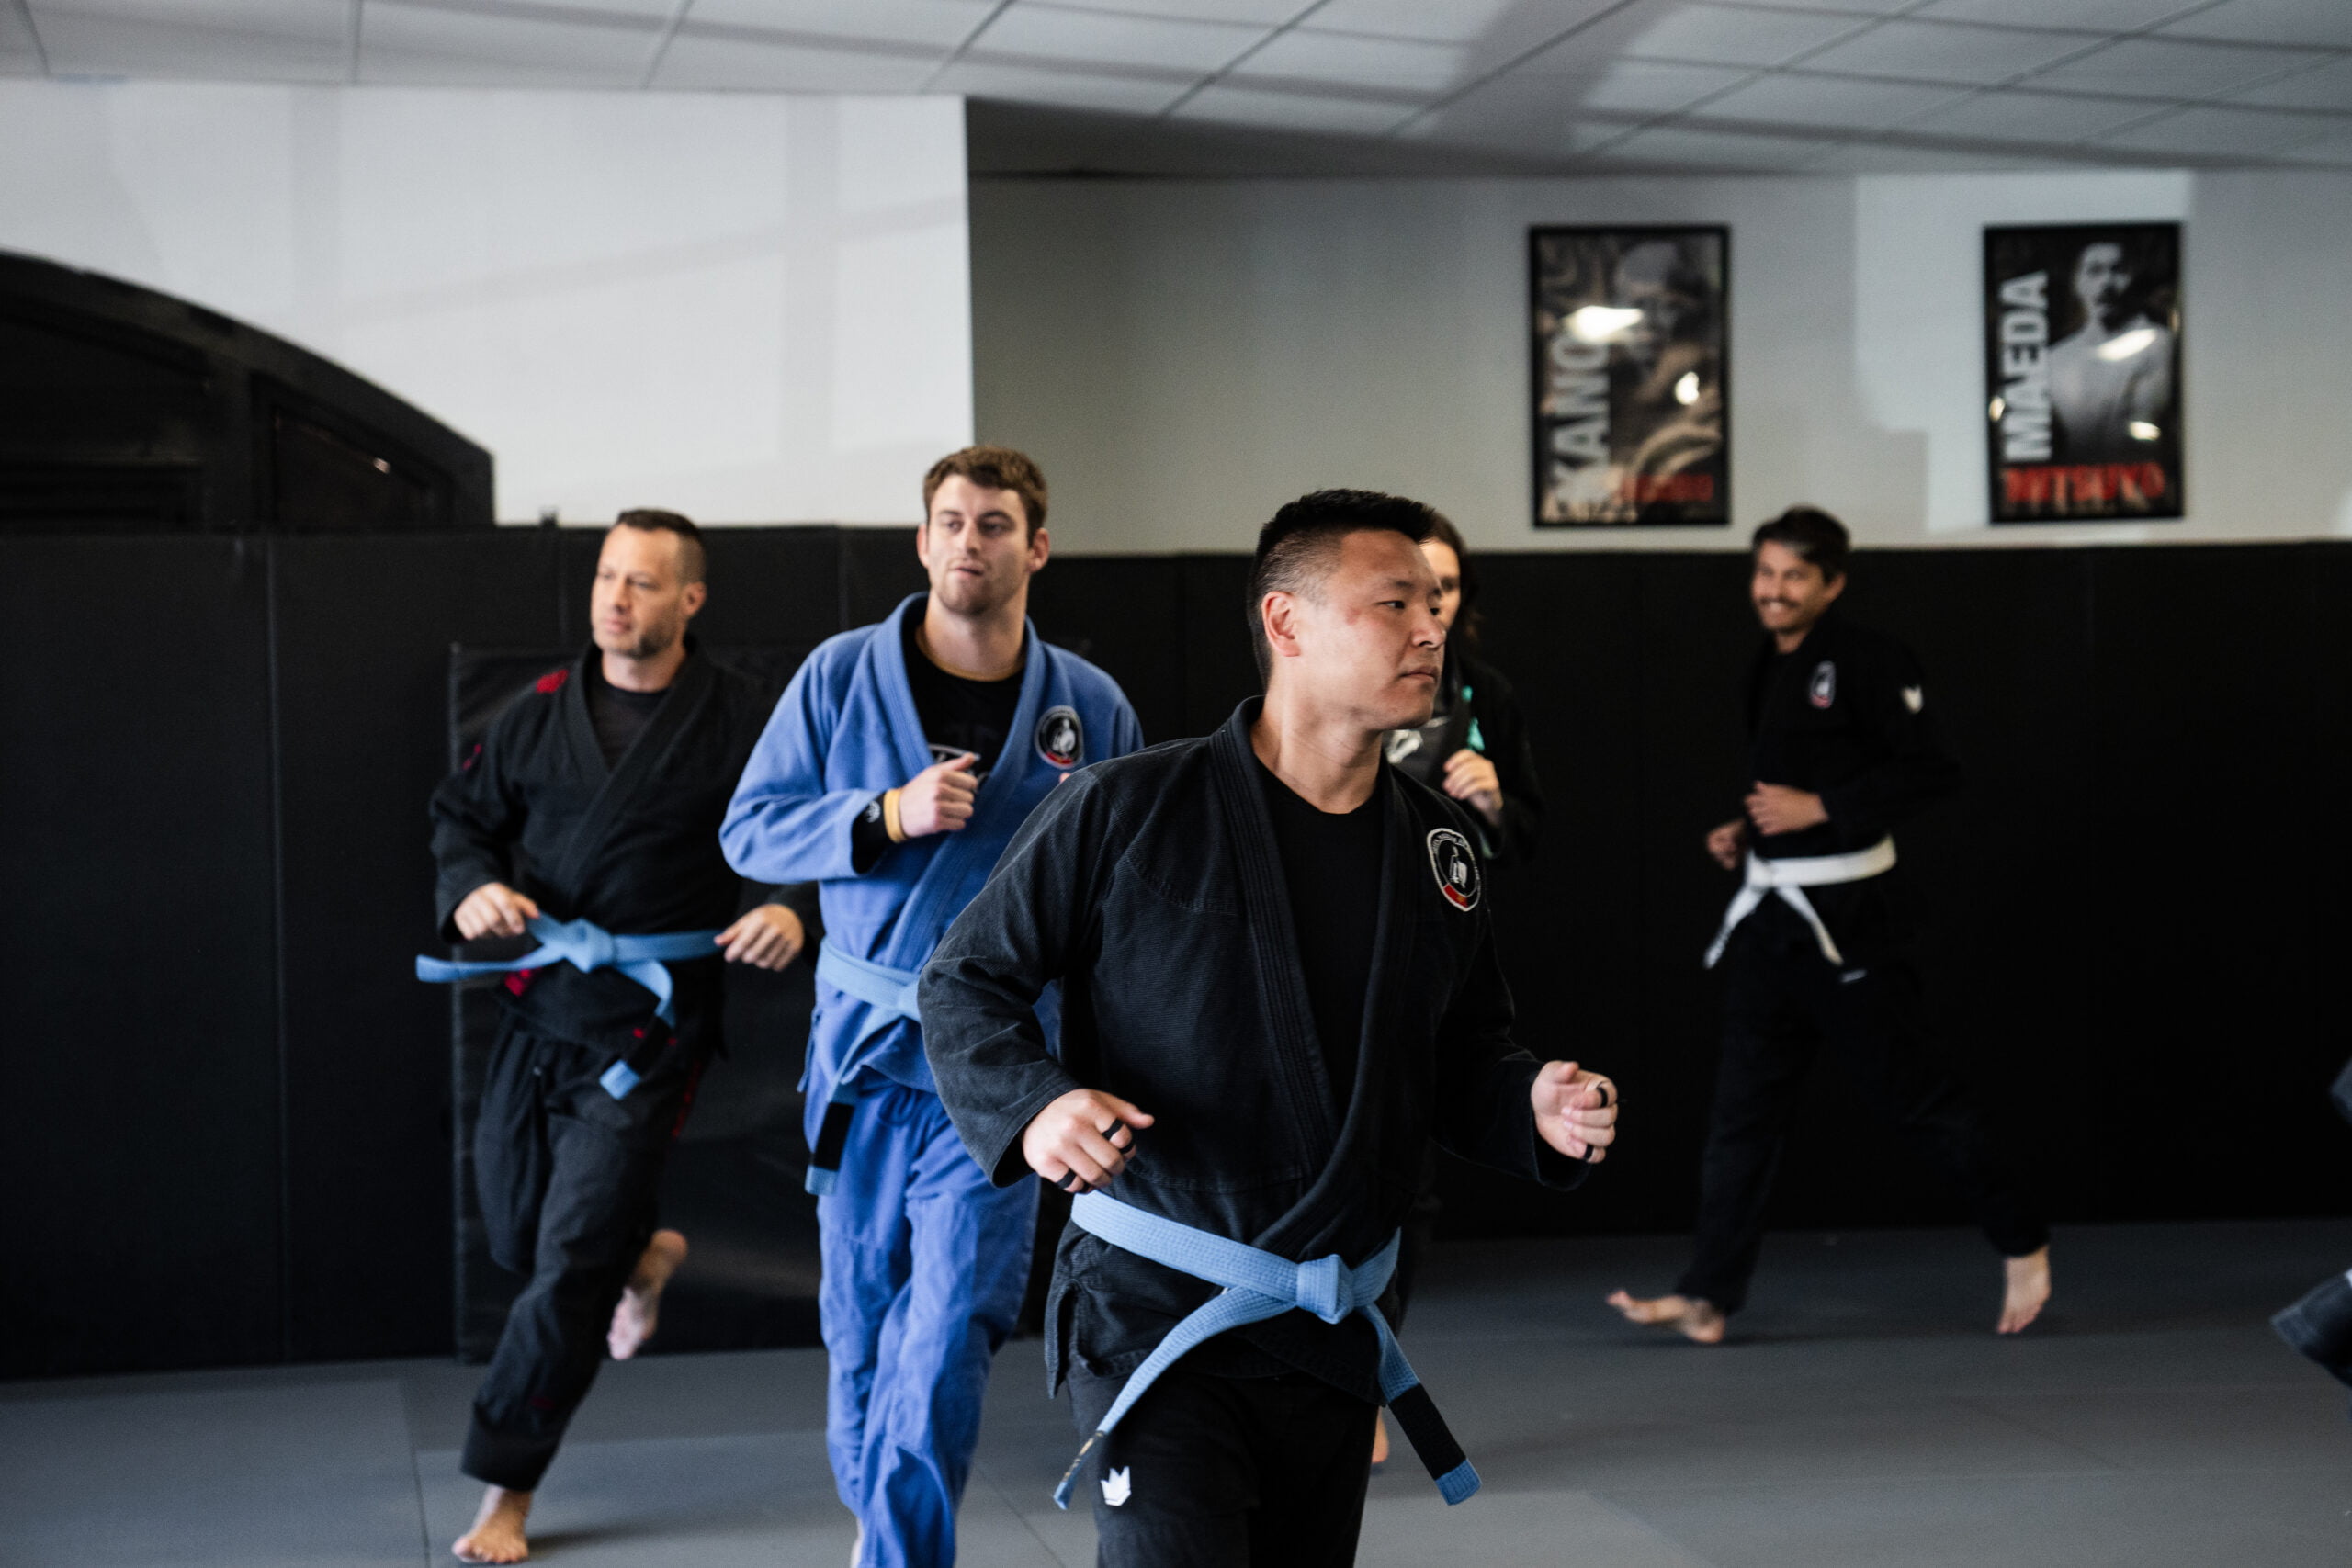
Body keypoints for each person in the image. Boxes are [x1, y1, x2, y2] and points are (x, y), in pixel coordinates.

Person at [921, 488, 1621, 1567]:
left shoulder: (1439, 848)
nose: (1429, 631)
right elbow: (965, 980)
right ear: (1285, 622)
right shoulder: (1126, 808)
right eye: (1394, 604)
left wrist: (1532, 1101)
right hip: (1156, 1315)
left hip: (1328, 1324)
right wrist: (1038, 1104)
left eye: (1434, 606)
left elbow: (1460, 1056)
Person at [719, 446, 1142, 1568]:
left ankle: (900, 1554)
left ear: (1035, 548)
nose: (969, 542)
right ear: (921, 541)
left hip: (999, 1063)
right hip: (863, 1056)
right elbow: (749, 831)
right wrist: (881, 817)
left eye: (993, 524)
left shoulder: (1089, 705)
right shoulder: (839, 676)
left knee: (954, 1320)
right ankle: (883, 1528)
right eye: (950, 521)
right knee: (860, 1321)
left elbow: (1130, 881)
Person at [422, 510, 813, 1564]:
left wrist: (787, 906)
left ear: (690, 599)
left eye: (641, 582)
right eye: (606, 577)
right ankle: (644, 1257)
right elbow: (462, 818)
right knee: (520, 1238)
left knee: (565, 1266)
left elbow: (795, 833)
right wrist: (473, 888)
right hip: (536, 1011)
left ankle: (506, 1491)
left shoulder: (741, 717)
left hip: (650, 1032)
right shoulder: (536, 711)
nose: (615, 599)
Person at [1609, 506, 2051, 1347]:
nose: (1773, 590)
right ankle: (1709, 1294)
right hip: (1770, 919)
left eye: (1793, 576)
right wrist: (1750, 832)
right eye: (1764, 573)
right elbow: (1782, 781)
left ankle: (2021, 1238)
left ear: (1832, 583)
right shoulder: (1766, 665)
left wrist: (1824, 807)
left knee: (1916, 1097)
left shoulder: (1870, 659)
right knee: (1741, 1114)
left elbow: (1932, 769)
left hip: (1851, 923)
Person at [1381, 510, 1543, 867]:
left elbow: (1530, 832)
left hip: (1451, 885)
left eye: (1448, 587)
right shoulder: (1348, 686)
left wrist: (1494, 803)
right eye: (1419, 586)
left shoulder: (1487, 692)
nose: (1436, 603)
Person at [2047, 238, 2175, 465]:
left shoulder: (2160, 344)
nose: (2106, 282)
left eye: (2118, 270)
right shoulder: (2055, 358)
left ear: (2134, 279)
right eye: (2094, 271)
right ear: (2077, 282)